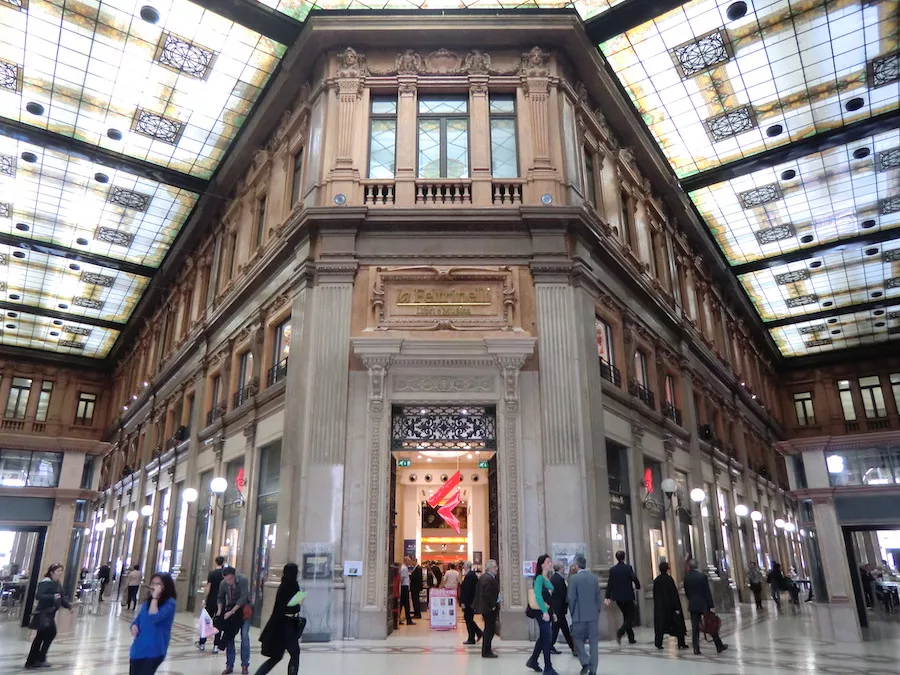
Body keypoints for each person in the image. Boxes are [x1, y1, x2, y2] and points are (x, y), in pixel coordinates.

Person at [254, 563, 302, 675]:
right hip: (286, 625)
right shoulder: (290, 586)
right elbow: (287, 606)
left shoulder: (285, 585)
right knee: (292, 653)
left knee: (278, 656)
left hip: (281, 625)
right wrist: (297, 605)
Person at [129, 573, 177, 675]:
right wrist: (133, 625)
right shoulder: (148, 602)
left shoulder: (170, 603)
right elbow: (139, 619)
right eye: (153, 583)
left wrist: (155, 598)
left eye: (158, 584)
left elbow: (154, 617)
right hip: (138, 649)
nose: (154, 587)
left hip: (154, 650)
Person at [24, 563, 70, 669]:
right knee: (43, 636)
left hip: (50, 614)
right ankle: (33, 661)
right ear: (51, 572)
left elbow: (61, 597)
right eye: (58, 571)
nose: (60, 573)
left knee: (46, 635)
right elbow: (38, 596)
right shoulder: (46, 583)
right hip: (43, 613)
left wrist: (69, 606)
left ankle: (39, 659)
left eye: (61, 571)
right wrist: (52, 596)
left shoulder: (57, 583)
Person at [684, 558, 726, 655]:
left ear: (689, 567)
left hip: (693, 605)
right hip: (703, 604)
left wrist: (691, 600)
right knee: (711, 625)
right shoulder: (702, 576)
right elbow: (707, 592)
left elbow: (687, 592)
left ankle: (696, 648)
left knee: (695, 628)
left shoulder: (686, 578)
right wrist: (710, 605)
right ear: (697, 566)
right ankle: (719, 645)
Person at [567, 554, 600, 675]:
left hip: (579, 616)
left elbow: (571, 598)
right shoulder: (594, 578)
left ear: (576, 565)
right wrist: (596, 612)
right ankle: (593, 669)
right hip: (593, 616)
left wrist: (573, 613)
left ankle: (585, 662)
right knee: (593, 643)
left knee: (577, 639)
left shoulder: (573, 579)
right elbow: (598, 599)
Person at [526, 554, 558, 675]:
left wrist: (551, 612)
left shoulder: (546, 578)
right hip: (541, 612)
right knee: (547, 638)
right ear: (542, 564)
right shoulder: (539, 578)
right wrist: (545, 612)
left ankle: (533, 660)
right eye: (548, 562)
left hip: (546, 611)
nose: (550, 564)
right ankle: (548, 667)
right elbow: (538, 595)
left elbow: (549, 597)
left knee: (544, 637)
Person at [217, 566, 252, 674]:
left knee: (244, 636)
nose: (229, 582)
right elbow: (220, 597)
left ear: (235, 575)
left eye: (230, 579)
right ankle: (229, 665)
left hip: (244, 611)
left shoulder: (243, 580)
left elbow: (244, 597)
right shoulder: (223, 583)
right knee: (229, 636)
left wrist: (232, 611)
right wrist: (219, 611)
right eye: (226, 579)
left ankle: (245, 665)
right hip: (231, 612)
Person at [604, 550, 639, 645]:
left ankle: (631, 637)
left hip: (618, 597)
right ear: (624, 557)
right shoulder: (628, 568)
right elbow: (634, 578)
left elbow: (610, 583)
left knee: (626, 616)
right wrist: (638, 586)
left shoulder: (613, 570)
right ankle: (620, 631)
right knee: (630, 617)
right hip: (628, 596)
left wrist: (607, 596)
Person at [652, 561, 687, 650]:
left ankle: (658, 643)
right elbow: (673, 594)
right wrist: (676, 607)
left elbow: (655, 595)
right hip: (670, 606)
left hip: (660, 607)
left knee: (660, 626)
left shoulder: (656, 580)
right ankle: (681, 643)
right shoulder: (669, 579)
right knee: (677, 624)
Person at [474, 559, 500, 659]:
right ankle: (486, 650)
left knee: (489, 629)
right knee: (489, 629)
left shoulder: (484, 577)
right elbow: (487, 594)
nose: (496, 569)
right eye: (495, 567)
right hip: (489, 609)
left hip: (487, 608)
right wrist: (492, 605)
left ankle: (487, 649)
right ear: (489, 568)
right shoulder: (489, 579)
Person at [199, 556, 226, 652]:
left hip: (211, 599)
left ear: (215, 562)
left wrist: (205, 599)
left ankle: (202, 643)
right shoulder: (224, 574)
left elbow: (208, 587)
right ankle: (216, 646)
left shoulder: (212, 574)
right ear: (223, 562)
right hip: (221, 601)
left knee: (206, 621)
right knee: (218, 623)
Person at [549, 561, 574, 655]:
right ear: (560, 568)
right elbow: (563, 594)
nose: (564, 569)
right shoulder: (559, 579)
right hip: (559, 608)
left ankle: (551, 645)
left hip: (557, 608)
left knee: (558, 628)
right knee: (563, 628)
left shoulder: (554, 578)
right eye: (563, 567)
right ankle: (572, 647)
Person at [459, 560, 483, 645]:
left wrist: (463, 602)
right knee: (469, 619)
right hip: (471, 602)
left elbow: (467, 591)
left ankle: (472, 637)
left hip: (469, 602)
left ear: (466, 567)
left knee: (468, 619)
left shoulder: (469, 576)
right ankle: (477, 633)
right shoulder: (472, 575)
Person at [399, 556, 415, 626]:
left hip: (404, 587)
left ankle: (402, 619)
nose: (410, 562)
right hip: (404, 587)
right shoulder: (404, 568)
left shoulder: (403, 568)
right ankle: (408, 620)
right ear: (405, 561)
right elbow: (402, 578)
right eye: (409, 561)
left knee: (403, 604)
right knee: (405, 604)